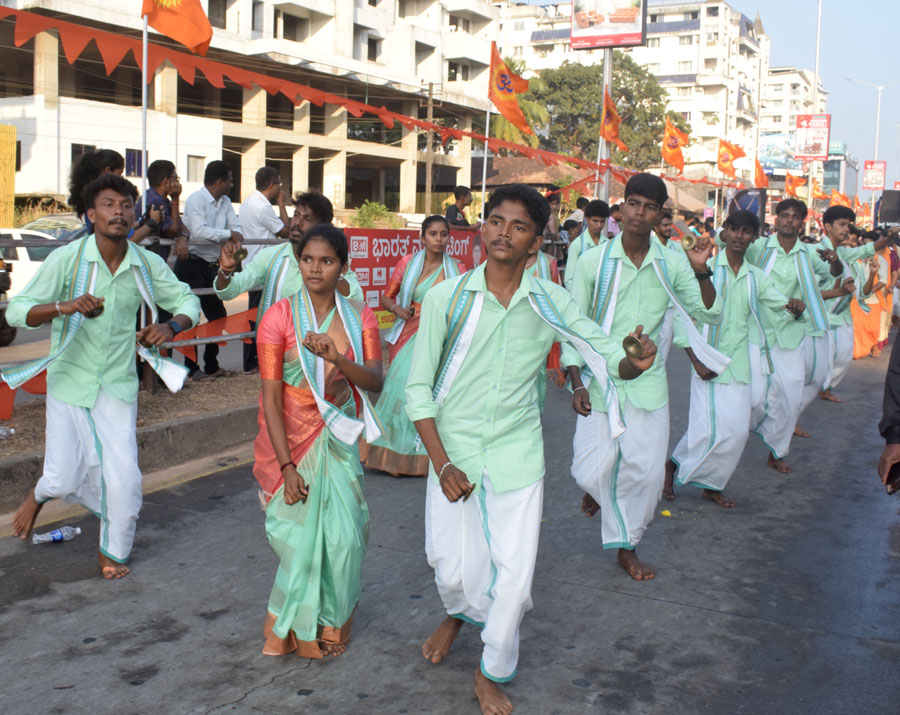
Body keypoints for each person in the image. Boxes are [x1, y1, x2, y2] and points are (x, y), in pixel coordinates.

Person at [406, 183, 654, 715]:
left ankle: (489, 669)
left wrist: (633, 362)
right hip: (453, 452)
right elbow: (418, 389)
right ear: (482, 227)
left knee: (514, 579)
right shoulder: (446, 299)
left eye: (519, 226)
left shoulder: (550, 301)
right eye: (496, 220)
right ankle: (459, 615)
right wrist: (441, 463)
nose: (504, 232)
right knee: (450, 568)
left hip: (517, 451)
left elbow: (601, 347)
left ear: (536, 242)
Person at [6, 174, 200, 578]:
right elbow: (18, 310)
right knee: (61, 478)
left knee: (125, 478)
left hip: (117, 386)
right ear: (91, 214)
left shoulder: (144, 263)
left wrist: (171, 326)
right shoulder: (68, 260)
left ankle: (113, 551)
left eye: (126, 205)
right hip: (69, 382)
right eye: (109, 205)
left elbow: (186, 301)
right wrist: (64, 307)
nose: (119, 212)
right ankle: (39, 495)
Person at [564, 173, 724, 581]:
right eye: (633, 204)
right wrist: (576, 381)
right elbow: (573, 325)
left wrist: (701, 271)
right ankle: (601, 491)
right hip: (600, 380)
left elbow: (707, 312)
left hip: (648, 383)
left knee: (649, 476)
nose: (640, 213)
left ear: (659, 214)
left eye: (650, 207)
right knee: (588, 471)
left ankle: (627, 547)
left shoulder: (671, 262)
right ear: (621, 209)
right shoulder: (592, 262)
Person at [254, 223, 383, 659]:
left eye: (326, 261)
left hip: (338, 435)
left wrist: (337, 358)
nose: (315, 268)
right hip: (291, 440)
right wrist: (287, 467)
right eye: (307, 259)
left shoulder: (360, 317)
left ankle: (331, 623)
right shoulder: (278, 317)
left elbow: (375, 381)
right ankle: (295, 629)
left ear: (342, 267)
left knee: (344, 539)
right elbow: (271, 398)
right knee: (298, 543)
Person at [663, 210, 800, 507]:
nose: (740, 236)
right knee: (708, 430)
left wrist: (795, 307)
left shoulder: (755, 277)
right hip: (708, 361)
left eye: (747, 231)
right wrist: (695, 361)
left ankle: (706, 480)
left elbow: (780, 306)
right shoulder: (706, 268)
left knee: (736, 432)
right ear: (725, 230)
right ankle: (675, 468)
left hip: (739, 363)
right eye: (735, 229)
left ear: (754, 237)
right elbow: (682, 316)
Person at [742, 199, 844, 472]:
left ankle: (777, 451)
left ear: (802, 222)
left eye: (795, 216)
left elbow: (834, 272)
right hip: (756, 330)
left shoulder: (810, 253)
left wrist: (835, 261)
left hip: (791, 333)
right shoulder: (759, 248)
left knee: (790, 397)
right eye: (784, 215)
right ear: (776, 219)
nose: (789, 220)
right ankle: (742, 431)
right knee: (755, 397)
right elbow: (729, 245)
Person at [361, 216, 465, 476]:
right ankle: (393, 453)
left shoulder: (458, 269)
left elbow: (463, 305)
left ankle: (425, 455)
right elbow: (386, 298)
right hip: (408, 331)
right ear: (422, 238)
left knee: (429, 391)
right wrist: (398, 310)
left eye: (443, 234)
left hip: (440, 334)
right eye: (433, 234)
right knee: (401, 388)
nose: (439, 239)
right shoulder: (408, 264)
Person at [215, 191, 360, 329]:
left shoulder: (334, 261)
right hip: (272, 344)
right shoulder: (270, 256)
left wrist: (334, 273)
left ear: (322, 227)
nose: (298, 223)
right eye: (296, 215)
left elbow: (356, 300)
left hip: (317, 344)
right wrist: (226, 271)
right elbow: (228, 292)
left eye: (307, 219)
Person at [817, 207, 893, 400]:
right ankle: (821, 388)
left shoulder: (846, 255)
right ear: (828, 226)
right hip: (822, 317)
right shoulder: (813, 252)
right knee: (823, 360)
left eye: (848, 226)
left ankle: (825, 387)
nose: (847, 231)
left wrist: (890, 237)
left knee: (843, 357)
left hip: (843, 316)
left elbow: (864, 292)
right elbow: (808, 290)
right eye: (842, 225)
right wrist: (837, 291)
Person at [179, 160, 244, 379]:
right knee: (191, 316)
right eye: (230, 181)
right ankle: (191, 369)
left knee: (218, 315)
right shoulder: (195, 200)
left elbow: (236, 225)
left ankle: (211, 365)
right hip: (191, 264)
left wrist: (235, 236)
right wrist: (229, 235)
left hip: (212, 265)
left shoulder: (225, 202)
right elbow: (199, 231)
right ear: (219, 181)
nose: (232, 185)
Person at [235, 167, 290, 374]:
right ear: (272, 185)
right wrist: (282, 204)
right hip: (264, 267)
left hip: (253, 264)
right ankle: (253, 361)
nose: (280, 189)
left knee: (256, 314)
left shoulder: (249, 202)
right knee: (260, 316)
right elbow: (286, 231)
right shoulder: (263, 207)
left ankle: (252, 360)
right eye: (279, 185)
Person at [135, 159, 183, 261]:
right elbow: (174, 231)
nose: (178, 182)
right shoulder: (155, 201)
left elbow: (181, 226)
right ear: (166, 181)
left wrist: (183, 236)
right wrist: (175, 199)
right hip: (148, 259)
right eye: (176, 178)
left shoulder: (162, 199)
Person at [563, 199, 610, 291]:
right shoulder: (577, 245)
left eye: (602, 221)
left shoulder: (607, 244)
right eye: (595, 221)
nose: (599, 225)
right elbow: (569, 279)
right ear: (587, 219)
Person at [852, 232, 887, 358]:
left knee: (872, 327)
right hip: (856, 298)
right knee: (857, 326)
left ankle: (874, 345)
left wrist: (868, 291)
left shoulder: (880, 260)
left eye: (869, 244)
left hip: (873, 298)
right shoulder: (856, 259)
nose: (866, 246)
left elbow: (883, 281)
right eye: (864, 243)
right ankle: (857, 351)